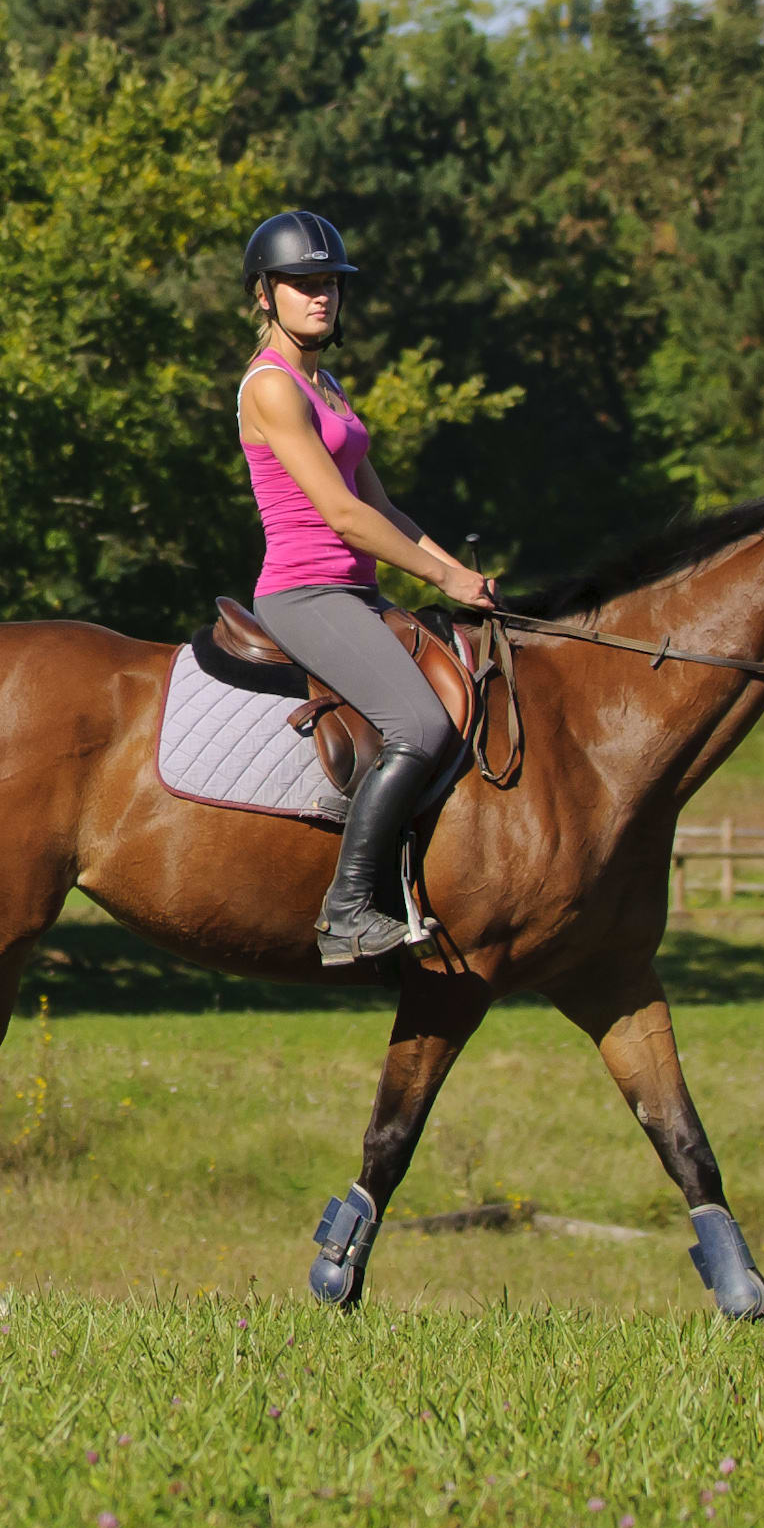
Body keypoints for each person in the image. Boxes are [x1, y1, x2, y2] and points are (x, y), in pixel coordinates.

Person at [234, 209, 498, 966]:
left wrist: (465, 576)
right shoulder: (272, 388)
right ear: (264, 294)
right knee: (418, 724)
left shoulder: (330, 383)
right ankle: (347, 911)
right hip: (304, 593)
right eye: (302, 283)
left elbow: (382, 508)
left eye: (330, 284)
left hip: (358, 592)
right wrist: (441, 575)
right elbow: (344, 515)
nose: (320, 296)